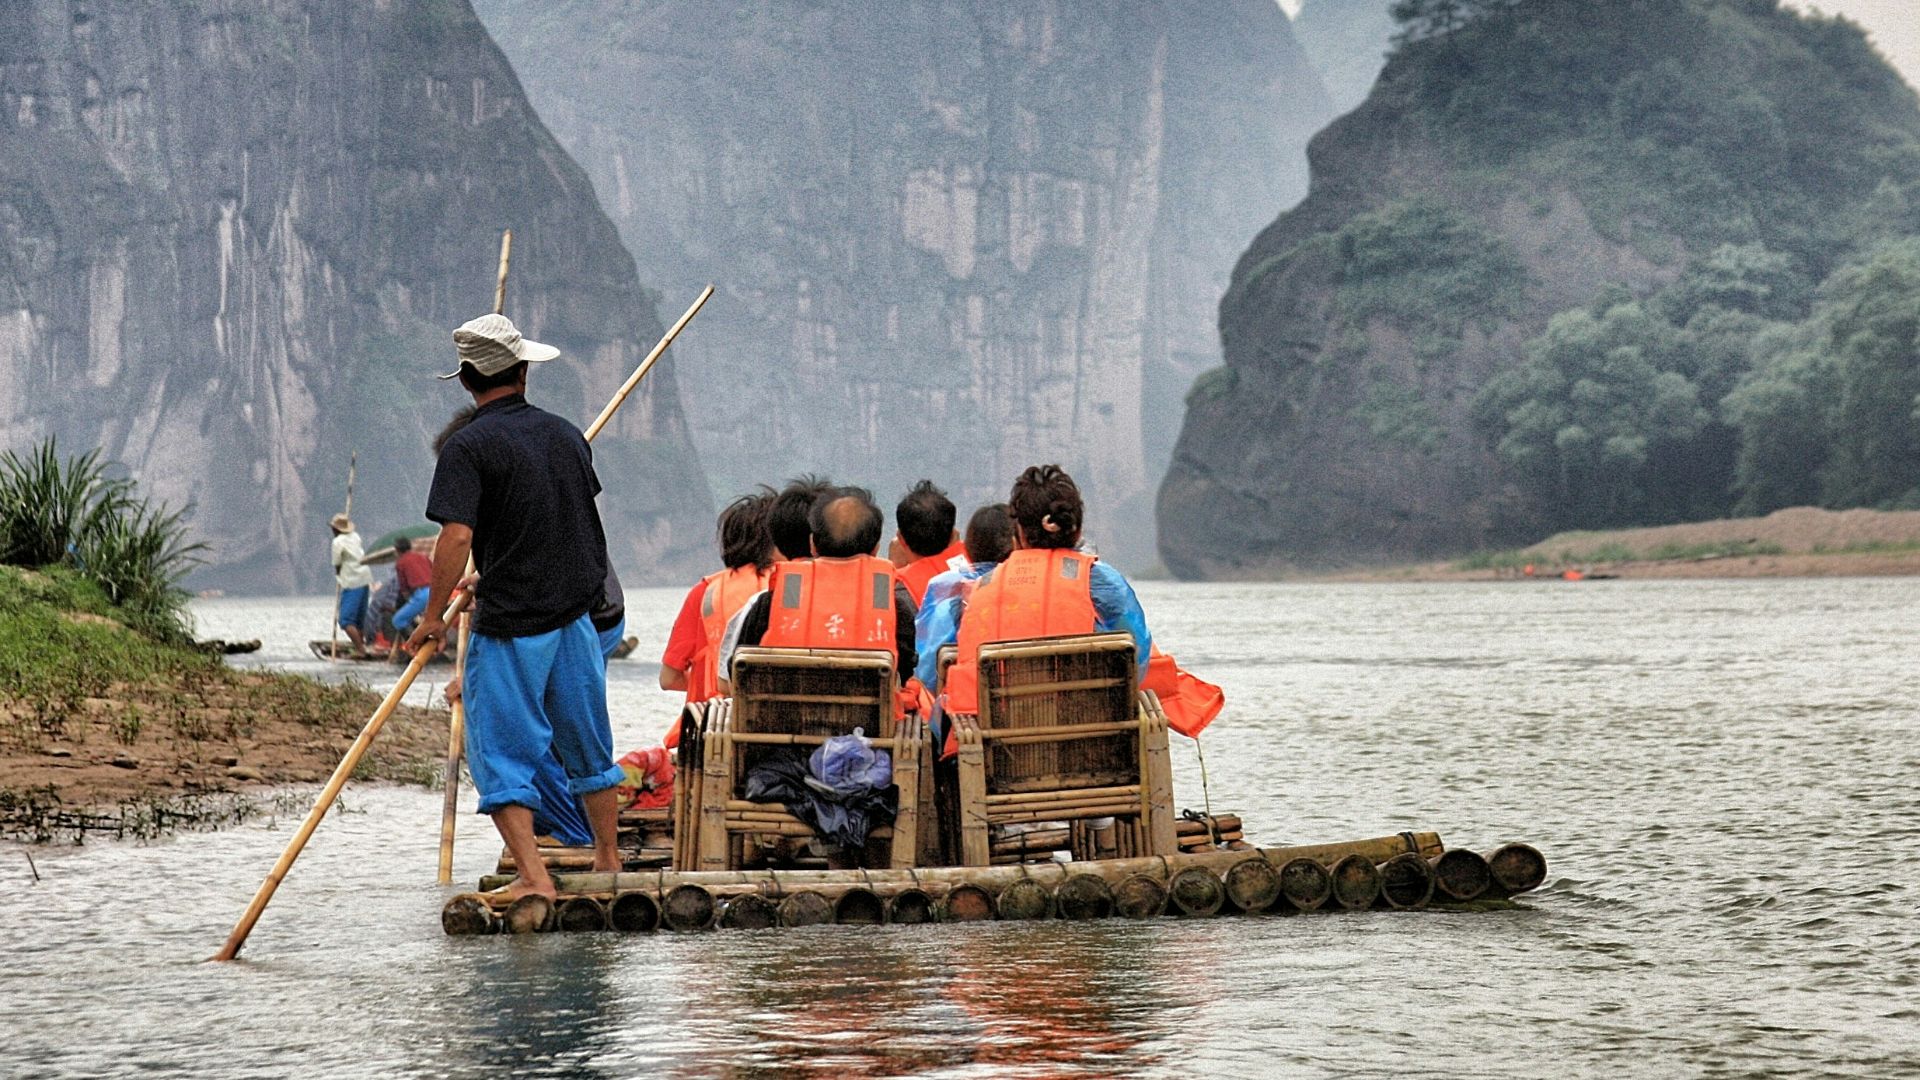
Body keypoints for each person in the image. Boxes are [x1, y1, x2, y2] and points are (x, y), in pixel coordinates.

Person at [406, 311, 625, 900]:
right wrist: (493, 574)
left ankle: (534, 878)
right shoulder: (565, 435)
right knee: (589, 747)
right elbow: (565, 522)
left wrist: (432, 619)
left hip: (512, 631)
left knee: (502, 755)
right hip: (576, 620)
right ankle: (608, 859)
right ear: (524, 371)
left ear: (465, 379)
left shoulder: (467, 447)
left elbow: (456, 537)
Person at [944, 465, 1151, 719]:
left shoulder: (979, 589)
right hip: (1092, 733)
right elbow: (1138, 660)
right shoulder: (1102, 582)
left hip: (1000, 744)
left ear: (1017, 533)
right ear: (1077, 531)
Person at [720, 486, 918, 687]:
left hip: (777, 717)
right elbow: (905, 670)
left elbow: (737, 667)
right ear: (876, 549)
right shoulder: (891, 607)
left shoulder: (772, 603)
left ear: (812, 544)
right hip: (868, 719)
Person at [659, 491, 775, 721]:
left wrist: (705, 680)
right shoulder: (794, 590)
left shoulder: (704, 592)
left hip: (710, 723)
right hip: (769, 720)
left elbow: (668, 678)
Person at [913, 502, 1014, 693]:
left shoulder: (944, 599)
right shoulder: (1034, 596)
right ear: (1019, 545)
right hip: (1032, 709)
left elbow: (926, 676)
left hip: (962, 715)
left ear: (966, 550)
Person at [892, 480, 970, 607]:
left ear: (901, 539)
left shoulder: (899, 594)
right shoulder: (977, 573)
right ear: (953, 535)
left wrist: (894, 567)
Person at [329, 512, 373, 659]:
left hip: (352, 581)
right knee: (359, 619)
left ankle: (361, 649)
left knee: (346, 620)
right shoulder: (355, 536)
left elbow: (337, 564)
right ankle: (361, 645)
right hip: (365, 577)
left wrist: (339, 577)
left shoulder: (338, 542)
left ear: (336, 529)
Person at [386, 535, 435, 659]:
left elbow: (404, 589)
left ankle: (415, 646)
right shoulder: (422, 557)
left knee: (398, 620)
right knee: (411, 618)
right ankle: (421, 640)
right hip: (435, 591)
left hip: (422, 593)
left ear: (397, 550)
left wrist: (404, 602)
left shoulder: (401, 562)